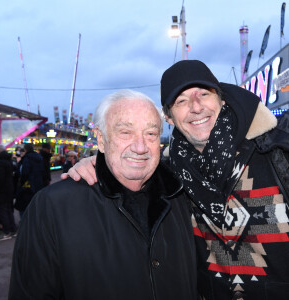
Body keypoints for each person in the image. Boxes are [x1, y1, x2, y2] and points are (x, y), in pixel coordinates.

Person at [63, 60, 289, 300]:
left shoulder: (277, 153)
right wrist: (96, 163)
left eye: (204, 94)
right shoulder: (168, 176)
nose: (196, 106)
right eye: (181, 101)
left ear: (221, 102)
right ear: (168, 117)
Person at [9, 90, 197, 299]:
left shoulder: (180, 197)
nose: (141, 146)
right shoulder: (52, 207)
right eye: (125, 132)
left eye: (151, 134)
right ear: (101, 139)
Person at [14, 144, 43, 218]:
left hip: (27, 187)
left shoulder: (26, 159)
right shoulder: (39, 158)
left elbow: (24, 173)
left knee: (23, 207)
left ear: (25, 150)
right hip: (37, 185)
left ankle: (25, 225)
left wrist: (21, 183)